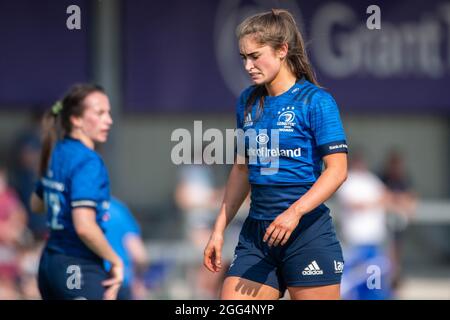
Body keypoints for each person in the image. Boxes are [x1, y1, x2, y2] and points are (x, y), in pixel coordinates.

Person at [203, 9, 348, 300]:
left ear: (282, 50)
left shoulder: (316, 101)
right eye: (243, 57)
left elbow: (337, 171)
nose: (247, 65)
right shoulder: (247, 101)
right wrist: (218, 230)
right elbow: (242, 169)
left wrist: (293, 213)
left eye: (255, 56)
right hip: (257, 237)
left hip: (307, 235)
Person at [30, 84, 123, 300]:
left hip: (49, 265)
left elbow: (36, 204)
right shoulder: (88, 161)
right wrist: (116, 260)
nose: (108, 120)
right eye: (100, 113)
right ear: (76, 119)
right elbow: (84, 227)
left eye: (108, 113)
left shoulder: (58, 152)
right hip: (77, 264)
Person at [336, 152, 392, 300]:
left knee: (374, 281)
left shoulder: (371, 179)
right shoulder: (348, 180)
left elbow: (387, 197)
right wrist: (374, 202)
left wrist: (373, 203)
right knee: (352, 279)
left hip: (374, 238)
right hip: (355, 238)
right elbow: (353, 204)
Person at [104, 197, 149, 300]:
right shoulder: (118, 210)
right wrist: (139, 280)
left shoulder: (80, 210)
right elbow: (139, 255)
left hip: (89, 279)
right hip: (121, 281)